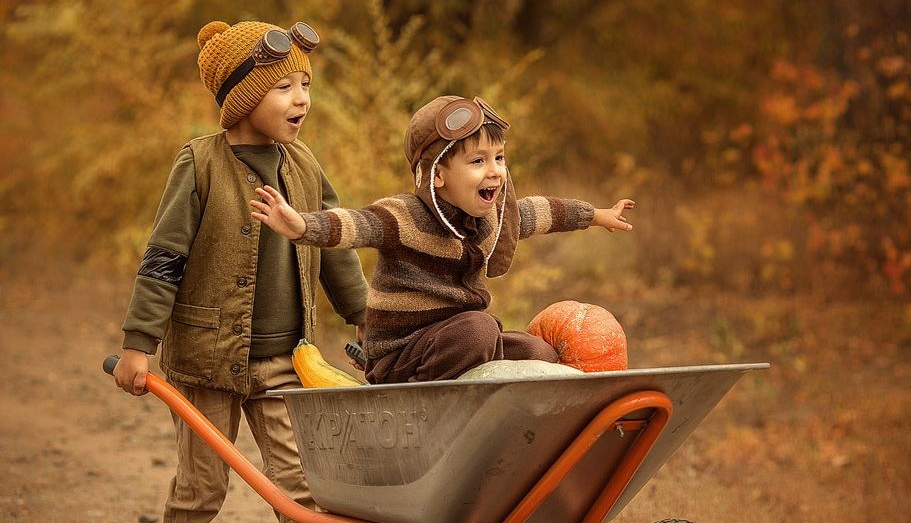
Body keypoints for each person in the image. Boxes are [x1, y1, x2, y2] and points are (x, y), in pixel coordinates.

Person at [112, 19, 371, 523]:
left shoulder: (306, 168)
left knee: (304, 489)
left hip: (291, 362)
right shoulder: (199, 163)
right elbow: (164, 258)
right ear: (239, 96)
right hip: (207, 362)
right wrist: (139, 344)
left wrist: (373, 324)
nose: (300, 98)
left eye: (304, 85)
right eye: (283, 86)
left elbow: (336, 256)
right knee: (201, 486)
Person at [250, 94, 634, 383]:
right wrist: (302, 226)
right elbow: (357, 224)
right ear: (437, 175)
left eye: (499, 158)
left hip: (456, 340)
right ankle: (415, 400)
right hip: (402, 354)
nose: (495, 172)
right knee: (479, 330)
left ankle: (489, 418)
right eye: (478, 161)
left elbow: (540, 212)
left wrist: (596, 215)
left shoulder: (490, 217)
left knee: (539, 352)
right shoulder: (406, 215)